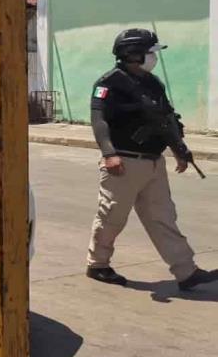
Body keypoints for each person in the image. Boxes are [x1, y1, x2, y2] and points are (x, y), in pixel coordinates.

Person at [86, 29, 215, 291]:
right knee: (112, 216)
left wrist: (179, 149)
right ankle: (98, 264)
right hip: (123, 162)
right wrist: (109, 153)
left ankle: (186, 272)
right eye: (149, 54)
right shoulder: (109, 83)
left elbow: (166, 119)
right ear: (131, 55)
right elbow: (99, 120)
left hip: (154, 162)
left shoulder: (153, 83)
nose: (153, 59)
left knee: (163, 217)